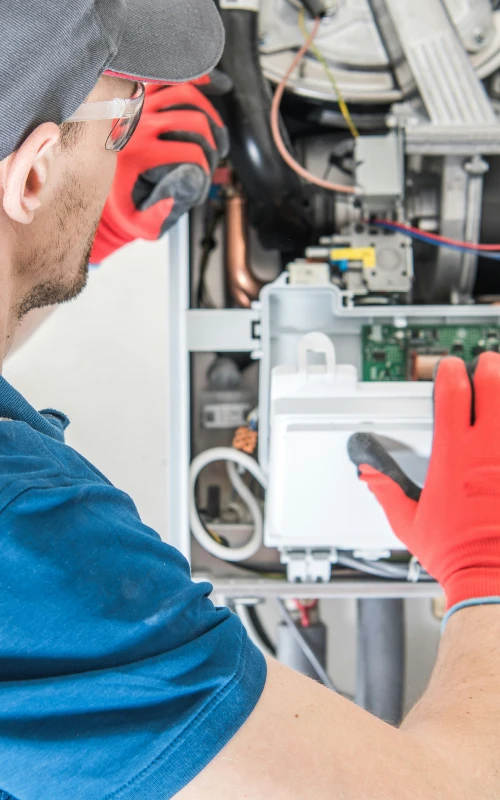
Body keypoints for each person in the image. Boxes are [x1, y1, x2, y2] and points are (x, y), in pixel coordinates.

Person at [1, 2, 500, 799]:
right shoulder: (39, 563)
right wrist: (485, 571)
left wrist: (60, 238)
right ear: (30, 175)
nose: (129, 136)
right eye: (122, 122)